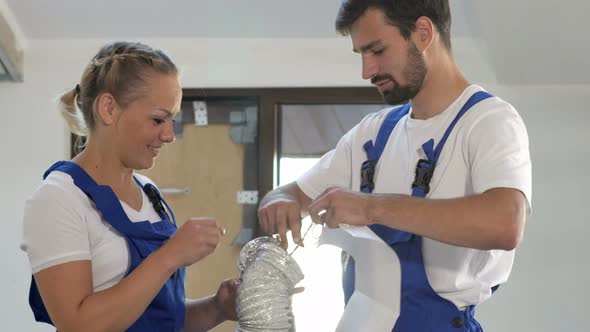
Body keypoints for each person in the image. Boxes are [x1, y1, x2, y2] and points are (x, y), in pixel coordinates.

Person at [258, 1, 531, 331]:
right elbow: (288, 194)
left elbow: (505, 222)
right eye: (361, 54)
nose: (366, 71)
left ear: (423, 34)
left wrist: (372, 208)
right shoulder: (374, 133)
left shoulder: (487, 121)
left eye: (377, 50)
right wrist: (279, 203)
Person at [21, 41, 238, 331]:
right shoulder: (59, 199)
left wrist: (217, 308)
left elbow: (159, 319)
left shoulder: (150, 194)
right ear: (108, 108)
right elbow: (78, 324)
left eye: (171, 120)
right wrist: (170, 256)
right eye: (158, 119)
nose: (169, 135)